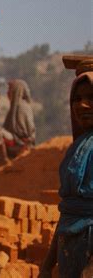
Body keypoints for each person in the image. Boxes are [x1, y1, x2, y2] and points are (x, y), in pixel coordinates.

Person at [40, 69, 93, 278]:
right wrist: (47, 265)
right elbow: (68, 211)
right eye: (77, 99)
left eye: (91, 97)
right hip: (71, 250)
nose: (81, 105)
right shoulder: (77, 148)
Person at [0, 79, 35, 167]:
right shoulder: (14, 107)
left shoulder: (22, 107)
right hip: (15, 139)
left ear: (16, 91)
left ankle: (4, 159)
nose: (8, 92)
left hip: (21, 143)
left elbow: (28, 132)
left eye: (10, 90)